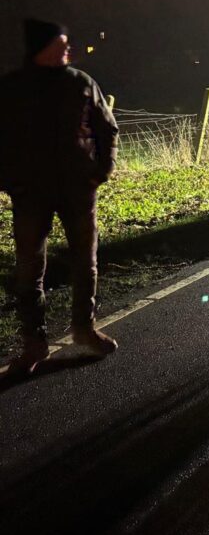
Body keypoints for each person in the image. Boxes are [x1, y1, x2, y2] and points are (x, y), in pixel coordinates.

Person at [0, 19, 120, 374]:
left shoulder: (81, 83)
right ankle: (34, 344)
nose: (68, 49)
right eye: (61, 43)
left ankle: (84, 328)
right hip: (30, 193)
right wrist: (10, 181)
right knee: (29, 269)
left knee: (86, 260)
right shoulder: (12, 88)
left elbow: (107, 127)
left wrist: (103, 170)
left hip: (78, 190)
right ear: (42, 48)